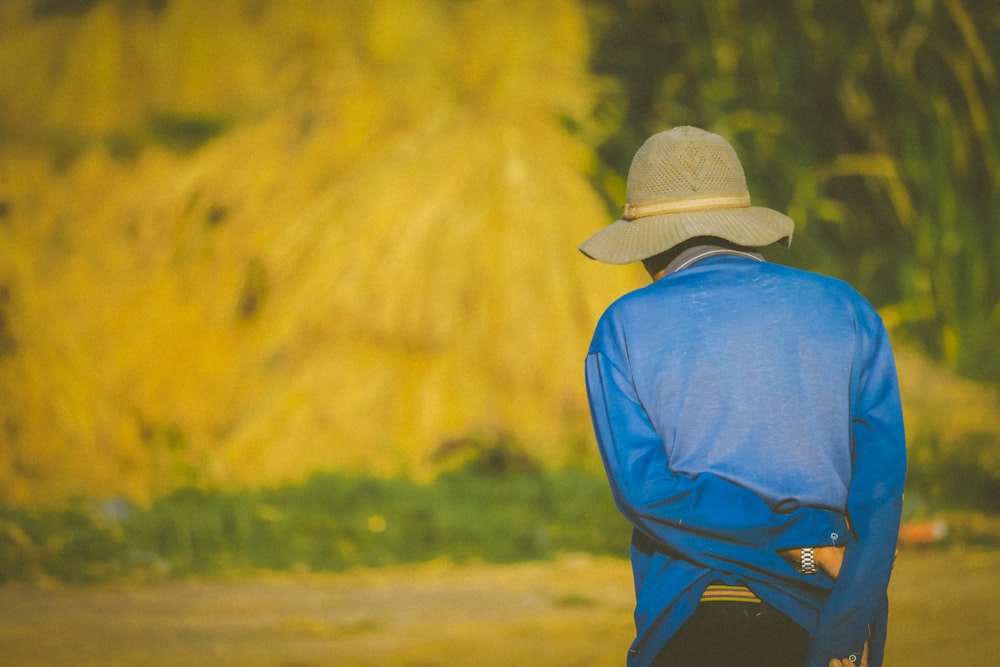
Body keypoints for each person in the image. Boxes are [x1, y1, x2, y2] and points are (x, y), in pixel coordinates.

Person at [579, 126, 906, 667]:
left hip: (693, 611)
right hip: (816, 599)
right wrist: (843, 626)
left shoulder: (624, 327)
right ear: (741, 226)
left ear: (645, 244)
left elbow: (648, 494)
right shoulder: (847, 310)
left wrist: (805, 542)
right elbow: (880, 494)